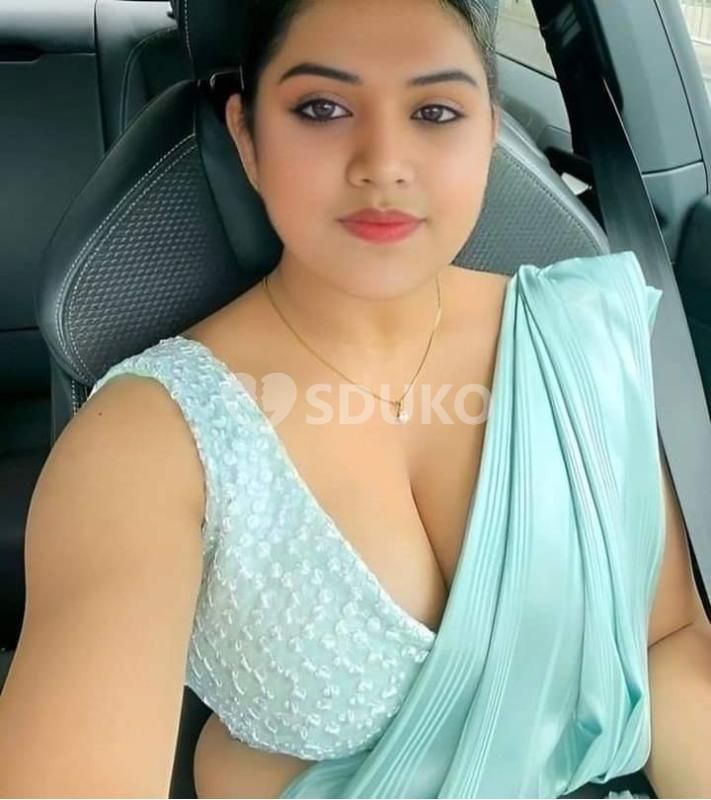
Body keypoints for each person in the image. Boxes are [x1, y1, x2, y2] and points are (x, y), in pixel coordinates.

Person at [2, 0, 709, 798]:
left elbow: (666, 644)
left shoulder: (582, 335)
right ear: (247, 137)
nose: (383, 162)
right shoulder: (147, 442)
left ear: (487, 133)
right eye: (321, 108)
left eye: (434, 112)